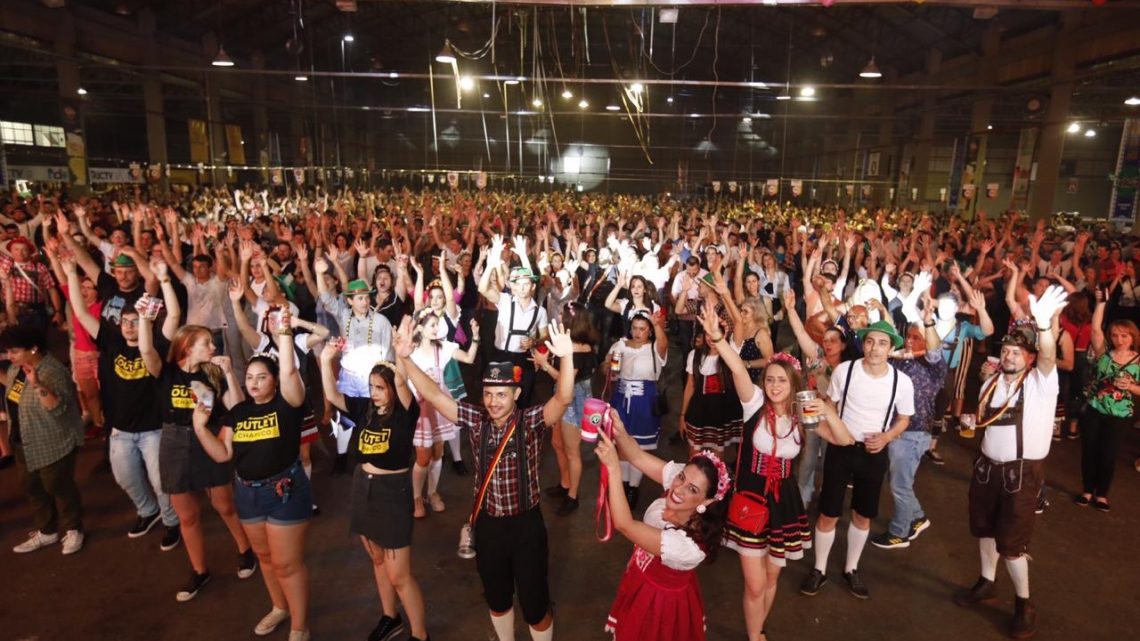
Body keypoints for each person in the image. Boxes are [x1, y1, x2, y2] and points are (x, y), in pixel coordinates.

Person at [401, 321, 577, 641]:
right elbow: (430, 393)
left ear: (516, 394)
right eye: (488, 393)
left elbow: (563, 399)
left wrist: (566, 358)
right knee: (497, 600)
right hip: (488, 525)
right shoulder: (475, 417)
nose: (493, 401)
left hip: (526, 526)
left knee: (535, 606)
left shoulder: (531, 421)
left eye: (501, 394)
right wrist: (404, 359)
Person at [697, 299, 850, 641]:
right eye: (770, 379)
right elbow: (737, 369)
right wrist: (719, 340)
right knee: (754, 584)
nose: (775, 385)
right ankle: (755, 638)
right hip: (751, 502)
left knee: (771, 577)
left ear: (793, 383)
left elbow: (843, 440)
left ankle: (758, 630)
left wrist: (826, 408)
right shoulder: (753, 404)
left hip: (785, 504)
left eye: (782, 380)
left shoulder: (801, 415)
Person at [954, 285, 1068, 640]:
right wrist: (972, 421)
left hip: (1022, 474)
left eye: (1017, 352)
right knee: (984, 530)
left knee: (1013, 546)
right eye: (1006, 350)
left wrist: (1046, 327)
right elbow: (986, 418)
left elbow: (1050, 356)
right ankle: (987, 582)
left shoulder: (1041, 383)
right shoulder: (992, 381)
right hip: (987, 467)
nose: (1009, 356)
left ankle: (1024, 603)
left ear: (1030, 358)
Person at [138, 266, 256, 602]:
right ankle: (200, 571)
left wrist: (230, 374)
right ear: (188, 346)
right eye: (205, 342)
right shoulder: (168, 372)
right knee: (187, 514)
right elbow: (147, 352)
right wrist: (145, 320)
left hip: (209, 440)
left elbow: (236, 407)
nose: (212, 345)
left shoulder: (213, 373)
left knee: (224, 504)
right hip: (174, 441)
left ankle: (245, 549)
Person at [192, 318, 311, 641]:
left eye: (262, 377)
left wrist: (284, 333)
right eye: (250, 377)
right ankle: (279, 607)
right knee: (266, 559)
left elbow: (289, 372)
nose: (255, 382)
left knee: (287, 564)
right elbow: (221, 454)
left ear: (274, 381)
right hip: (247, 494)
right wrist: (201, 427)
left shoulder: (288, 405)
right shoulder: (239, 412)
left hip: (284, 491)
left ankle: (300, 626)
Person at [320, 318, 430, 641]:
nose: (375, 393)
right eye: (371, 387)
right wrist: (327, 361)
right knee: (378, 560)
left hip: (392, 493)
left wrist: (400, 356)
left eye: (380, 388)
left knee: (400, 575)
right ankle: (389, 616)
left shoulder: (404, 412)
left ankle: (420, 634)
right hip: (362, 489)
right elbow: (332, 393)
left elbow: (401, 384)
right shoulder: (366, 408)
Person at [62, 257, 181, 550]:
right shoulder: (110, 341)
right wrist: (69, 274)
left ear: (145, 323)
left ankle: (171, 519)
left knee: (161, 481)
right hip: (121, 430)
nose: (129, 326)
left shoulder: (156, 345)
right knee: (125, 477)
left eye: (135, 321)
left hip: (154, 429)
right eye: (125, 322)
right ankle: (147, 511)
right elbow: (78, 310)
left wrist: (164, 279)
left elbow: (175, 317)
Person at [800, 320, 915, 600]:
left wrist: (886, 438)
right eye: (870, 341)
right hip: (842, 449)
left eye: (882, 343)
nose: (875, 348)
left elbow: (904, 419)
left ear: (891, 348)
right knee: (828, 512)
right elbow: (832, 406)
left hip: (874, 453)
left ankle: (851, 568)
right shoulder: (845, 370)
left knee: (863, 514)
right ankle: (819, 568)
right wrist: (827, 431)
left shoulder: (902, 382)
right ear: (863, 344)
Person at [593, 409, 731, 641]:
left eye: (693, 490)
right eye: (681, 478)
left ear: (707, 501)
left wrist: (614, 469)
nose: (679, 489)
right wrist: (620, 431)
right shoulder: (681, 481)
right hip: (641, 577)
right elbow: (636, 456)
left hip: (659, 600)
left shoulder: (687, 545)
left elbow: (624, 524)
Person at [870, 294, 948, 549]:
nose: (912, 342)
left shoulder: (933, 367)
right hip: (895, 431)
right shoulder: (899, 362)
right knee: (899, 482)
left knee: (900, 486)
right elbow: (887, 340)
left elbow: (935, 351)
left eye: (918, 338)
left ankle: (900, 533)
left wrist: (928, 324)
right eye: (910, 337)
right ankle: (917, 518)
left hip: (914, 433)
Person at [3, 325, 86, 555]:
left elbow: (57, 408)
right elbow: (12, 393)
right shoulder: (15, 370)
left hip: (53, 441)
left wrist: (38, 384)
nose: (10, 356)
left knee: (57, 485)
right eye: (8, 351)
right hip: (24, 441)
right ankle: (47, 531)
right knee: (32, 487)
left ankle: (73, 529)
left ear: (33, 349)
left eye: (14, 351)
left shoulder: (52, 371)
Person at [316, 264, 394, 472]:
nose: (365, 301)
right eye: (359, 298)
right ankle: (342, 456)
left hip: (372, 379)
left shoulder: (381, 321)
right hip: (349, 377)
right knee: (344, 417)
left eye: (367, 297)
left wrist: (385, 380)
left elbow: (388, 353)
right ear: (349, 301)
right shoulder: (343, 315)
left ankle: (369, 454)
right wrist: (317, 272)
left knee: (373, 416)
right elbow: (326, 298)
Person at [406, 308, 479, 517]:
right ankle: (416, 497)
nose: (437, 329)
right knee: (422, 457)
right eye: (432, 325)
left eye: (437, 324)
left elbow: (468, 358)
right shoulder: (410, 351)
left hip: (439, 405)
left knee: (438, 452)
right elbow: (403, 378)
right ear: (420, 328)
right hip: (420, 407)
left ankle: (432, 492)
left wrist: (475, 338)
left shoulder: (443, 347)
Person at [1074, 286, 1139, 512]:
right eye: (1115, 335)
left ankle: (1102, 494)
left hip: (1119, 414)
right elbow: (1094, 330)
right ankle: (1087, 490)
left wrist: (1131, 386)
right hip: (1094, 407)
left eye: (1124, 335)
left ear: (1132, 337)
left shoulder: (1138, 361)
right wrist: (1101, 303)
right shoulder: (1104, 354)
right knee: (1089, 450)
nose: (1119, 339)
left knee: (1108, 453)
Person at [531, 302, 599, 515]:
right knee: (557, 442)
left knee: (572, 452)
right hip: (562, 395)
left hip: (574, 399)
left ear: (572, 321)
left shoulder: (580, 349)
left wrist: (545, 364)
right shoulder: (573, 344)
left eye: (561, 315)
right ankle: (565, 483)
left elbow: (565, 379)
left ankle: (573, 496)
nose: (558, 317)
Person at [605, 311, 669, 508]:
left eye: (642, 329)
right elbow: (607, 367)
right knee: (622, 444)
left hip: (644, 399)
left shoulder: (654, 348)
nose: (638, 332)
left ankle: (634, 487)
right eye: (635, 328)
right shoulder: (620, 345)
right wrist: (609, 366)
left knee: (639, 446)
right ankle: (623, 485)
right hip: (621, 397)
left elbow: (663, 344)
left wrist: (658, 324)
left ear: (649, 330)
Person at [479, 235, 550, 407]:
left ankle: (519, 430)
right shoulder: (504, 301)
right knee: (498, 400)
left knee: (523, 399)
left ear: (533, 287)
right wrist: (491, 264)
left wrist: (534, 341)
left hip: (524, 360)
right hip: (501, 356)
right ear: (513, 287)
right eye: (518, 284)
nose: (522, 287)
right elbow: (482, 288)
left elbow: (545, 337)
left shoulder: (540, 311)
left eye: (526, 284)